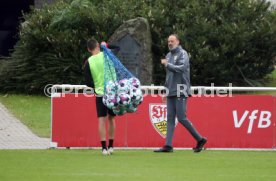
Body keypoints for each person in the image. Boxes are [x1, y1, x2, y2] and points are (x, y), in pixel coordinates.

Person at [154, 34, 207, 153]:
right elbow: (168, 76)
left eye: (172, 41)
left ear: (178, 42)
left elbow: (182, 68)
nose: (170, 43)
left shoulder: (183, 53)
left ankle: (200, 139)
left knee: (182, 118)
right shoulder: (168, 55)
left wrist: (168, 64)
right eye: (168, 41)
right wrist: (165, 91)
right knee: (170, 118)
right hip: (171, 91)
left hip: (181, 89)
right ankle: (168, 145)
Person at [84, 38, 119, 155]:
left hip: (100, 93)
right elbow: (118, 48)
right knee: (111, 118)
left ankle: (103, 148)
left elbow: (88, 82)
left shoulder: (88, 62)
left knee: (101, 120)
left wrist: (97, 87)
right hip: (112, 91)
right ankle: (111, 146)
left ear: (89, 49)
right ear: (98, 45)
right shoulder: (107, 55)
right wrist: (107, 45)